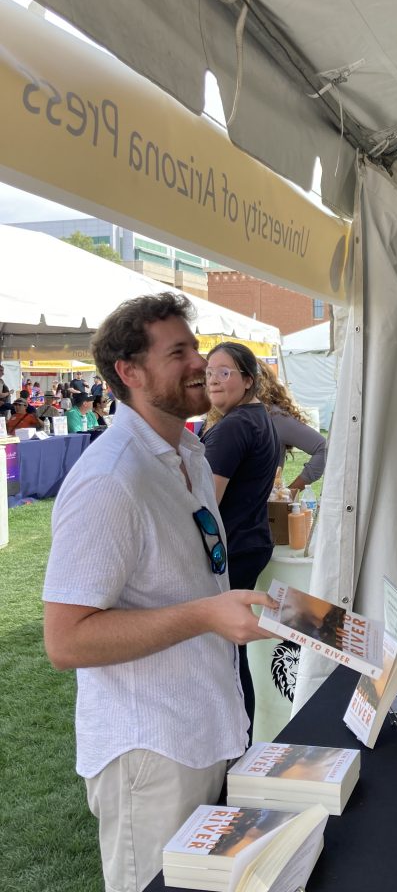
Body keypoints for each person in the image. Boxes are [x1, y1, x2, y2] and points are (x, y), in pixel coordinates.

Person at [42, 291, 277, 892]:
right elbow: (66, 641)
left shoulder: (189, 452)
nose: (200, 362)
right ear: (130, 372)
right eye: (179, 352)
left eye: (195, 347)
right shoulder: (109, 479)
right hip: (151, 751)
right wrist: (205, 615)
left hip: (205, 727)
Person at [201, 341, 281, 732]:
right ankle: (240, 736)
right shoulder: (256, 417)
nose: (214, 380)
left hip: (231, 549)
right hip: (249, 542)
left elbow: (205, 503)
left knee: (226, 652)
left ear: (248, 379)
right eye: (209, 372)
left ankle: (237, 739)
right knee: (232, 650)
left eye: (225, 372)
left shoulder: (233, 426)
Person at [254, 360, 327, 492]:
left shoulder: (274, 416)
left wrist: (291, 491)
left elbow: (323, 448)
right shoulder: (219, 417)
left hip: (262, 507)